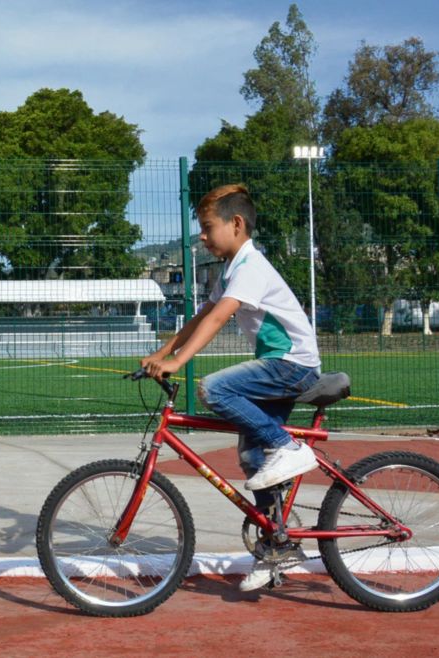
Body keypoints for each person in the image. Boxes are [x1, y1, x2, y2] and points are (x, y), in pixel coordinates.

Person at [139, 183, 322, 592]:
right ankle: (277, 545)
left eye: (207, 227)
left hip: (293, 364)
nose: (202, 237)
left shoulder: (251, 267)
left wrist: (178, 363)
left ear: (236, 224)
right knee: (254, 457)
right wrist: (162, 352)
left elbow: (219, 318)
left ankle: (291, 448)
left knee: (215, 388)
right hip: (279, 365)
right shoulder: (231, 270)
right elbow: (200, 316)